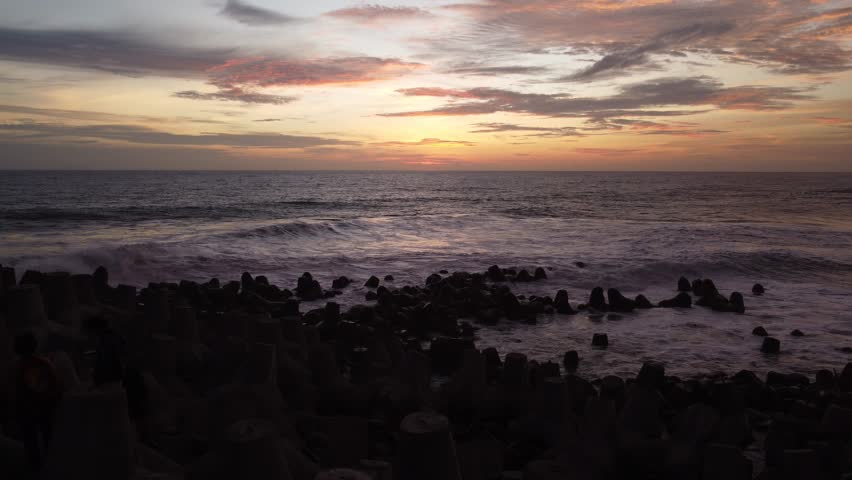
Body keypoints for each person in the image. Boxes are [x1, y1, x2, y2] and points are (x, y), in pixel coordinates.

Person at [14, 331, 62, 472]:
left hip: (30, 410)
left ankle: (39, 470)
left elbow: (33, 388)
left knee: (33, 443)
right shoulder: (42, 363)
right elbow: (54, 386)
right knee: (45, 440)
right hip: (43, 408)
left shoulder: (24, 365)